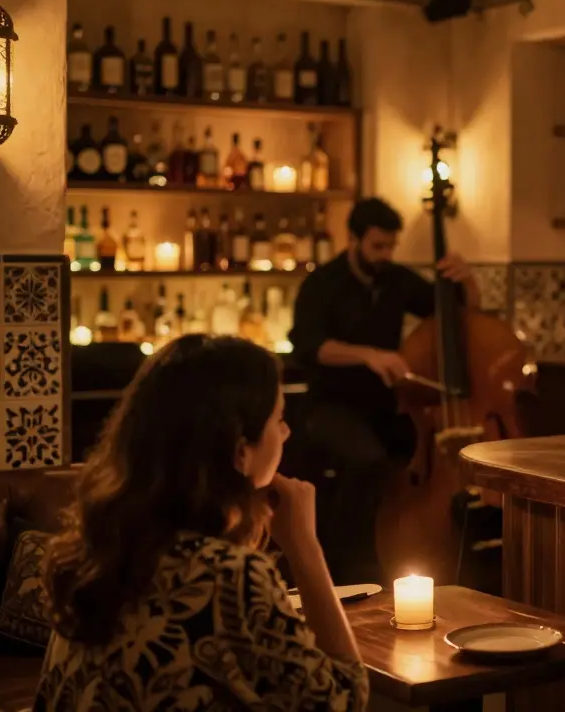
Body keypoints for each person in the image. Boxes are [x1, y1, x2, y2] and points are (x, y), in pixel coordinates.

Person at [36, 335, 367, 711]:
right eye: (278, 419)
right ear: (241, 452)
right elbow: (345, 699)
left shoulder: (95, 547)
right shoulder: (228, 575)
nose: (287, 433)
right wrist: (305, 546)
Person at [288, 197, 477, 583]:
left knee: (426, 458)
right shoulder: (322, 284)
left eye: (391, 246)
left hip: (387, 406)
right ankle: (346, 564)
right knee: (367, 460)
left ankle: (416, 552)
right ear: (353, 239)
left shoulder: (394, 278)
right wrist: (368, 355)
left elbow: (455, 310)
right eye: (377, 246)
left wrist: (467, 279)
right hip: (332, 404)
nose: (385, 254)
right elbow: (309, 346)